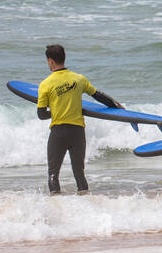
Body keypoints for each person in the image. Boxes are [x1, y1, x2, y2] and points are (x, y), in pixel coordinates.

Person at [36, 44, 124, 195]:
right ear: (64, 58)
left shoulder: (45, 84)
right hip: (77, 132)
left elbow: (41, 115)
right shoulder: (79, 79)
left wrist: (56, 110)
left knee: (53, 173)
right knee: (79, 172)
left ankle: (56, 207)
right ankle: (85, 206)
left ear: (50, 61)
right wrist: (116, 105)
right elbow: (98, 95)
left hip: (59, 132)